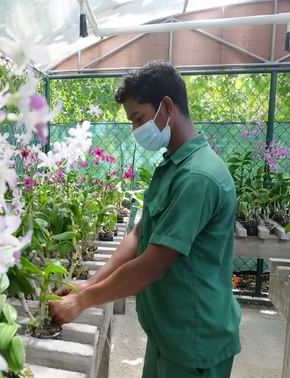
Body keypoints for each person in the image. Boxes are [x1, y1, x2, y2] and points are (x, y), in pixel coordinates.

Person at [49, 60, 241, 378]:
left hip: (194, 341)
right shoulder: (173, 167)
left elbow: (152, 264)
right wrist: (86, 284)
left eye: (138, 118)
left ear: (166, 106)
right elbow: (138, 237)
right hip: (167, 331)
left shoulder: (199, 177)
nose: (136, 130)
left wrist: (82, 302)